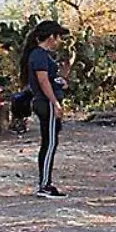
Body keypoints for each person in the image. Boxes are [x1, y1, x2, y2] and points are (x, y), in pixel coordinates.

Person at [19, 19, 70, 199]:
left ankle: (46, 182)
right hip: (45, 102)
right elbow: (42, 81)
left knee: (51, 142)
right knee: (49, 144)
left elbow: (50, 78)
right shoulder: (39, 55)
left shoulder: (43, 55)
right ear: (50, 37)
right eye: (57, 37)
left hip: (47, 100)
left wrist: (62, 78)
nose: (59, 41)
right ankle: (44, 184)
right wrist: (55, 102)